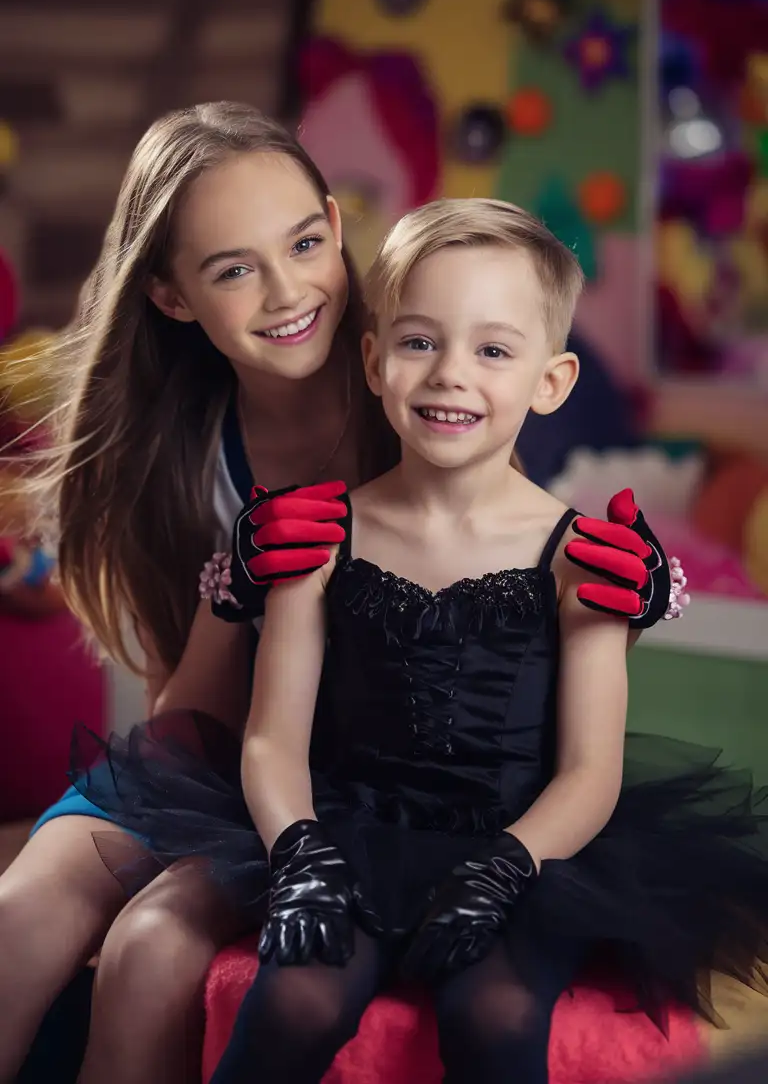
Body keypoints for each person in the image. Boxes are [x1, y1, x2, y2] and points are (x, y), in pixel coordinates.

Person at [0, 104, 663, 1084]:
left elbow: (512, 650)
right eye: (232, 269)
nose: (285, 290)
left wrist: (642, 591)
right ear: (174, 298)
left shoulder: (425, 383)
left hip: (369, 781)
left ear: (332, 223)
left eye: (305, 243)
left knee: (152, 949)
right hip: (226, 758)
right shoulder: (171, 453)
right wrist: (236, 591)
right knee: (17, 917)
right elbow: (182, 728)